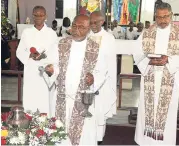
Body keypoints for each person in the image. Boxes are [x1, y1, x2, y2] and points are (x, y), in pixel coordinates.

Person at [133, 2, 179, 145]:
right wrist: (148, 61)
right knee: (146, 109)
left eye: (166, 17)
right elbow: (136, 52)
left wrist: (169, 60)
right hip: (150, 76)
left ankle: (164, 142)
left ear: (171, 15)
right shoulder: (147, 32)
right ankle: (146, 141)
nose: (162, 20)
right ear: (155, 16)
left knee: (167, 112)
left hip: (169, 78)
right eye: (159, 17)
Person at [50, 14, 109, 145]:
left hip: (83, 99)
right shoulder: (60, 43)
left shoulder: (95, 47)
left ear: (89, 29)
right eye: (74, 26)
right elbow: (54, 64)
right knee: (60, 130)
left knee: (83, 136)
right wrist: (51, 70)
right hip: (62, 97)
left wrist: (94, 79)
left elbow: (102, 71)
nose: (77, 30)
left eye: (81, 27)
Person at [16, 6, 58, 114]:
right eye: (36, 15)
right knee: (31, 100)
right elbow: (19, 52)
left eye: (41, 15)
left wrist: (46, 59)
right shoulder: (27, 32)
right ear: (32, 16)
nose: (39, 17)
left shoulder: (51, 33)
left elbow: (56, 54)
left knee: (45, 101)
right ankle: (30, 126)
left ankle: (46, 127)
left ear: (45, 16)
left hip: (46, 73)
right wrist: (30, 55)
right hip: (31, 72)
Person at [90, 11, 117, 144]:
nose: (93, 25)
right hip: (86, 79)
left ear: (102, 22)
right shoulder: (86, 35)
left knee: (99, 110)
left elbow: (111, 62)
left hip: (102, 80)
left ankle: (99, 139)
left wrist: (106, 79)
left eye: (96, 22)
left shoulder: (108, 38)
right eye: (91, 22)